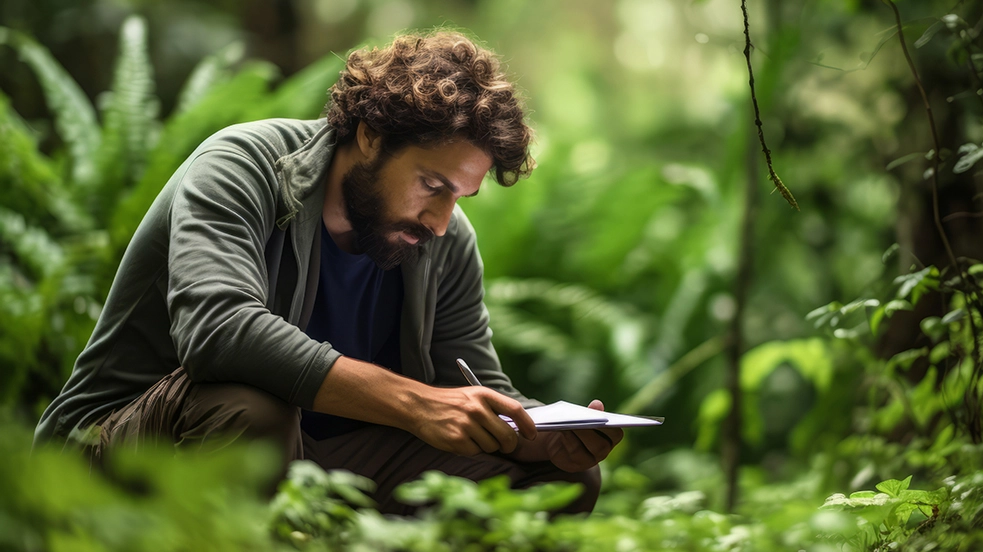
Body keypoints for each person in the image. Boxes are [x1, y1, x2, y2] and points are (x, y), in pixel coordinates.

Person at [34, 31, 623, 515]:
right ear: (370, 136)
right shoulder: (243, 168)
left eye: (460, 197)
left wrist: (538, 431)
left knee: (567, 477)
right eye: (431, 185)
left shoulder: (444, 244)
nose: (442, 220)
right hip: (126, 442)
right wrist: (416, 403)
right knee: (251, 408)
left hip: (317, 456)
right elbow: (216, 331)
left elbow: (469, 379)